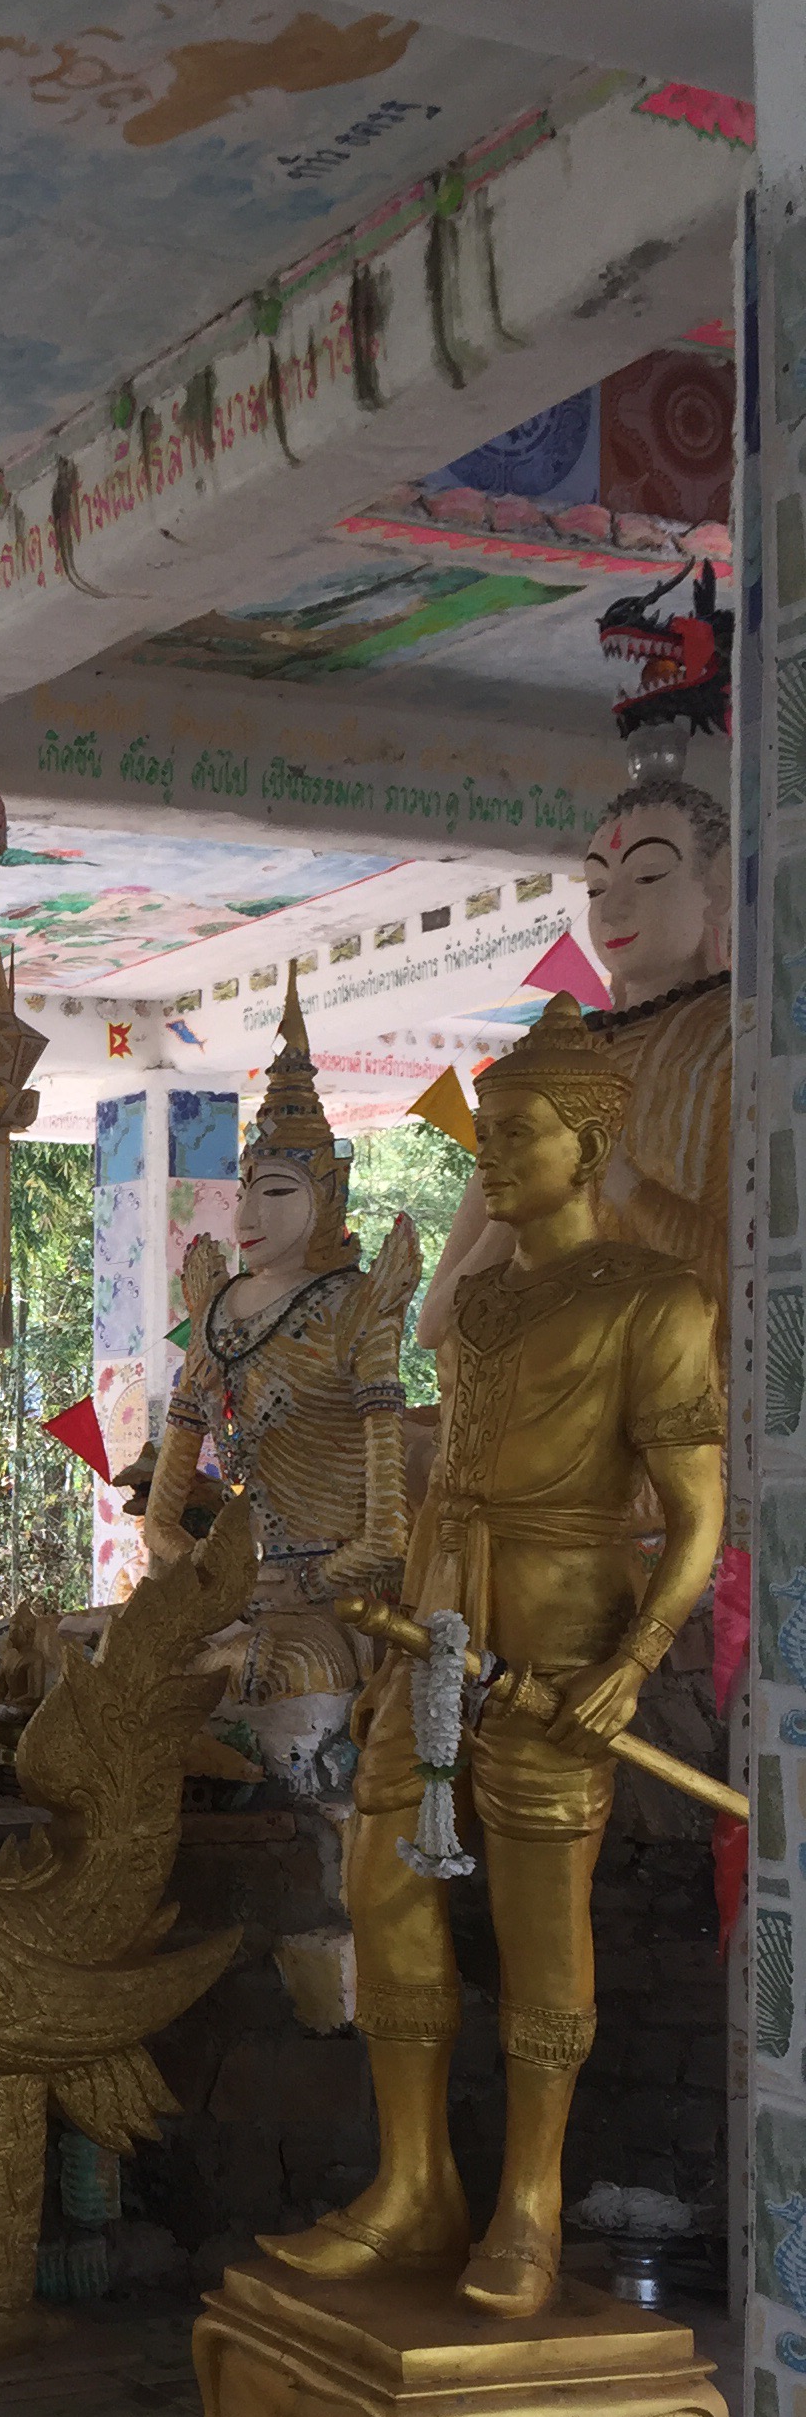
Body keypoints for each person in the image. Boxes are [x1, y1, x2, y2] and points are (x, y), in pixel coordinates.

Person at [261, 1001, 724, 2318]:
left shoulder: (654, 1298)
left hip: (563, 1630)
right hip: (436, 1626)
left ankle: (530, 2200)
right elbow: (450, 1470)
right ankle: (415, 2186)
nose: (494, 1160)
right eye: (487, 1138)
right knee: (384, 1887)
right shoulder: (476, 1305)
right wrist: (394, 1584)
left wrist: (635, 1662)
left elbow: (697, 1514)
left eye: (520, 1136)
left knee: (540, 1919)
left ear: (590, 1150)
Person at [143, 971, 416, 1698]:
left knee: (274, 1670)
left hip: (332, 1604)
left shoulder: (358, 1309)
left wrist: (304, 1582)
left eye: (277, 1192)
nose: (248, 1218)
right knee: (94, 1651)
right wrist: (207, 1574)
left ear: (328, 1195)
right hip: (231, 1596)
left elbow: (388, 1533)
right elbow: (161, 1520)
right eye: (245, 1191)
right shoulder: (216, 1310)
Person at [419, 782, 731, 1350]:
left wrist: (619, 1180)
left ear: (720, 885)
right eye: (596, 887)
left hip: (679, 1370)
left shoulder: (741, 1043)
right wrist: (519, 1205)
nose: (611, 909)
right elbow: (436, 1324)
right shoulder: (548, 1065)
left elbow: (744, 1287)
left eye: (648, 876)